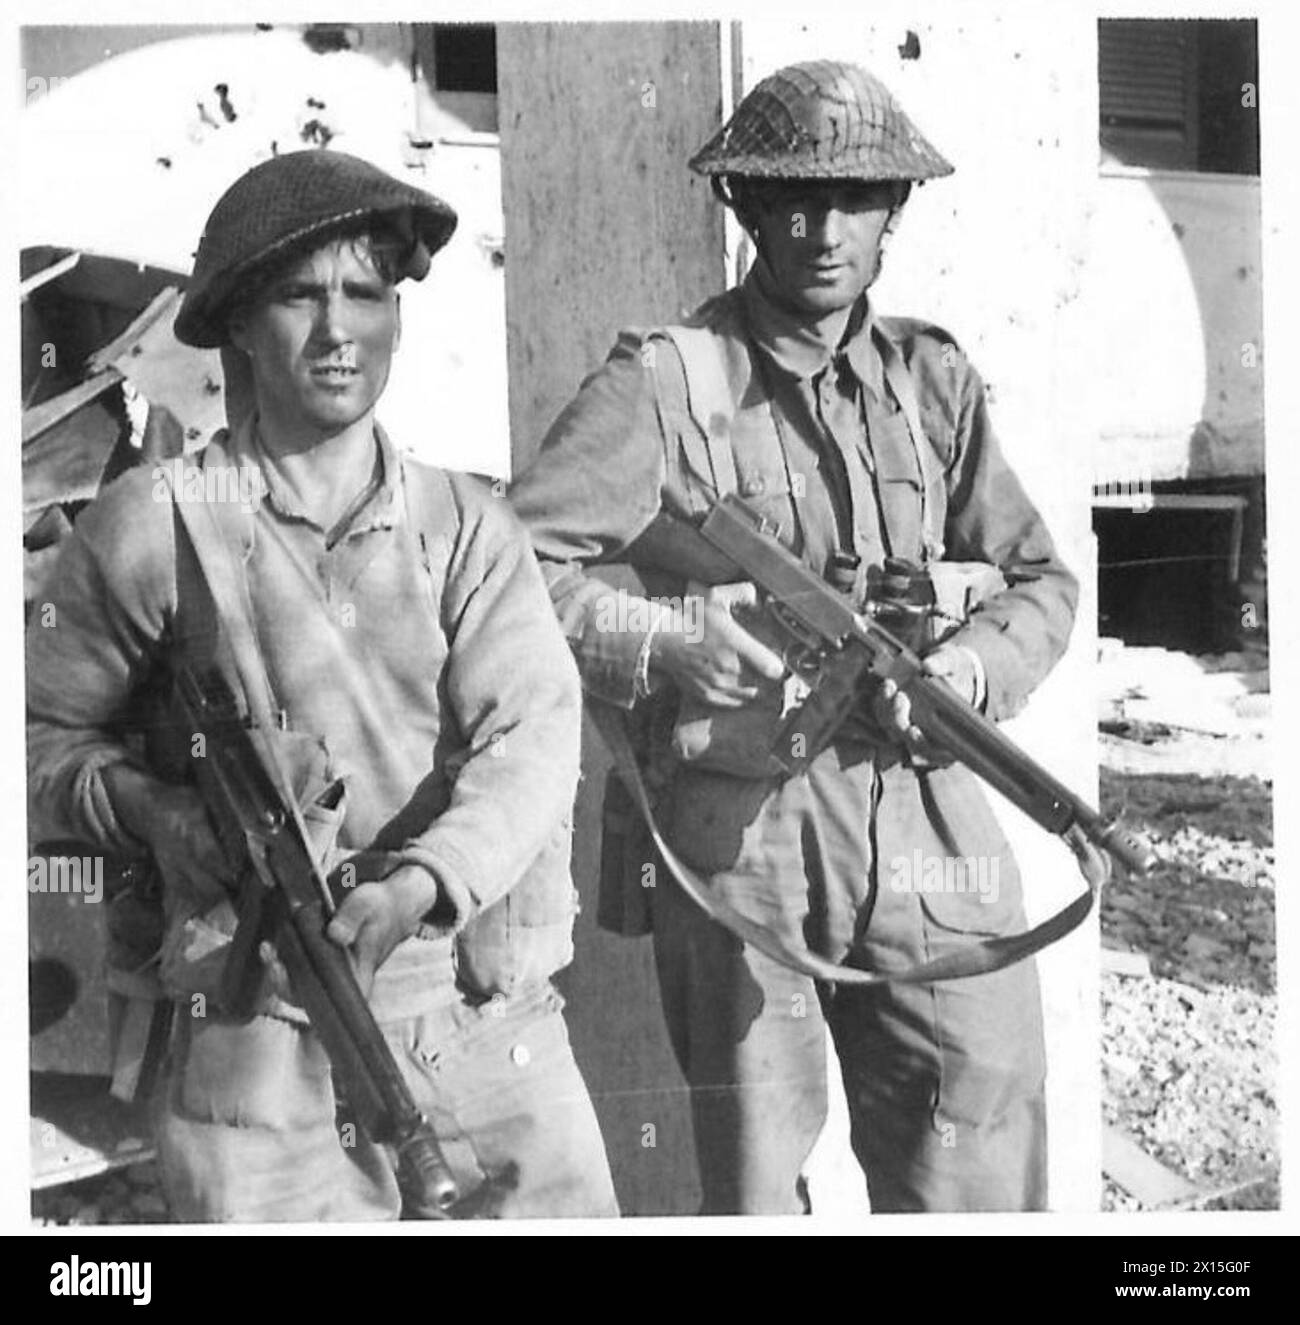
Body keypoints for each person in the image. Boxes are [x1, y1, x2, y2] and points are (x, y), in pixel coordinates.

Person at [509, 61, 1079, 1214]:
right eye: (791, 198)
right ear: (747, 209)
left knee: (978, 1126)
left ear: (893, 214)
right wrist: (661, 637)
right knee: (758, 1182)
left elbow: (1039, 578)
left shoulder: (931, 381)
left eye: (856, 198)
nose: (823, 230)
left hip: (926, 821)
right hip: (742, 841)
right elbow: (505, 572)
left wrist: (969, 668)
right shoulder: (665, 383)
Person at [26, 149, 618, 1222]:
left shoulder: (467, 527)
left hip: (473, 1014)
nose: (339, 330)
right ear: (241, 323)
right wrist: (157, 812)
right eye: (300, 295)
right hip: (256, 1041)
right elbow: (36, 742)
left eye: (366, 294)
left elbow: (531, 738)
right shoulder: (153, 525)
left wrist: (425, 882)